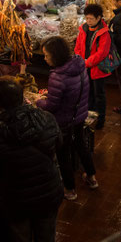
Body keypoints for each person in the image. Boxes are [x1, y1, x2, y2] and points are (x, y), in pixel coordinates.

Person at [0, 76, 64, 242]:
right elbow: (59, 145)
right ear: (21, 97)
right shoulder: (47, 118)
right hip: (49, 194)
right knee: (46, 241)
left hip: (17, 203)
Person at [37, 36, 98, 201]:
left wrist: (38, 101)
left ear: (55, 56)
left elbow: (51, 106)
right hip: (79, 116)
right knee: (81, 146)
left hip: (64, 121)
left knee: (63, 155)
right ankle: (91, 178)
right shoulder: (79, 65)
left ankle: (70, 190)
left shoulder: (58, 76)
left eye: (46, 55)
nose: (44, 58)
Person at [74, 4, 111, 129]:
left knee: (99, 95)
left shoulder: (104, 32)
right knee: (87, 92)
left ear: (99, 18)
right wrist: (80, 59)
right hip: (85, 67)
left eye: (91, 19)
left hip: (98, 69)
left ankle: (100, 120)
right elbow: (78, 46)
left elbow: (102, 53)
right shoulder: (83, 28)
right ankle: (89, 117)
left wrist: (87, 62)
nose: (88, 21)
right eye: (87, 18)